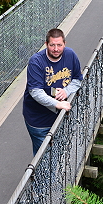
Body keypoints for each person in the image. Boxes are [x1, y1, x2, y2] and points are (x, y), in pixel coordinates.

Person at [23, 28, 83, 156]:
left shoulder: (70, 55)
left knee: (56, 153)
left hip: (60, 117)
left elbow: (78, 79)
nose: (56, 49)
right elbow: (35, 92)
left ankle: (51, 175)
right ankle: (42, 176)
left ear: (64, 44)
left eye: (59, 45)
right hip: (39, 120)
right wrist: (57, 104)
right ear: (46, 44)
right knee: (44, 158)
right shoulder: (36, 62)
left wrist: (66, 91)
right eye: (52, 45)